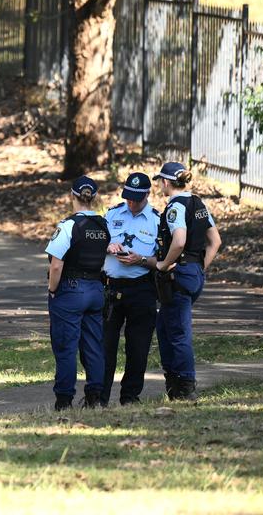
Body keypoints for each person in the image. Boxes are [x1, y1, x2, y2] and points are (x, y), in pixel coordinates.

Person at [153, 161, 223, 401]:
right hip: (192, 272)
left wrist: (163, 264)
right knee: (164, 326)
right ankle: (173, 381)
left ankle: (185, 386)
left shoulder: (176, 207)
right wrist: (199, 267)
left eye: (160, 181)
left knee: (178, 331)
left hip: (178, 274)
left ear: (166, 182)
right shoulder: (198, 203)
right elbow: (215, 241)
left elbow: (179, 240)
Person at [44, 175, 110, 411]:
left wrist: (53, 289)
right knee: (93, 346)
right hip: (95, 289)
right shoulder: (103, 225)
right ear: (94, 198)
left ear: (72, 195)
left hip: (70, 291)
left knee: (65, 348)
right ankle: (95, 397)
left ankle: (64, 400)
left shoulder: (69, 225)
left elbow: (56, 264)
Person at [99, 172, 161, 406]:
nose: (132, 202)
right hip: (111, 289)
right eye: (128, 197)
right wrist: (107, 245)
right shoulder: (112, 214)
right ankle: (99, 397)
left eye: (137, 198)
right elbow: (96, 243)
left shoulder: (157, 220)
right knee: (105, 346)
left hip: (141, 290)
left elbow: (163, 260)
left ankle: (130, 397)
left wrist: (141, 260)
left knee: (138, 347)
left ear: (147, 194)